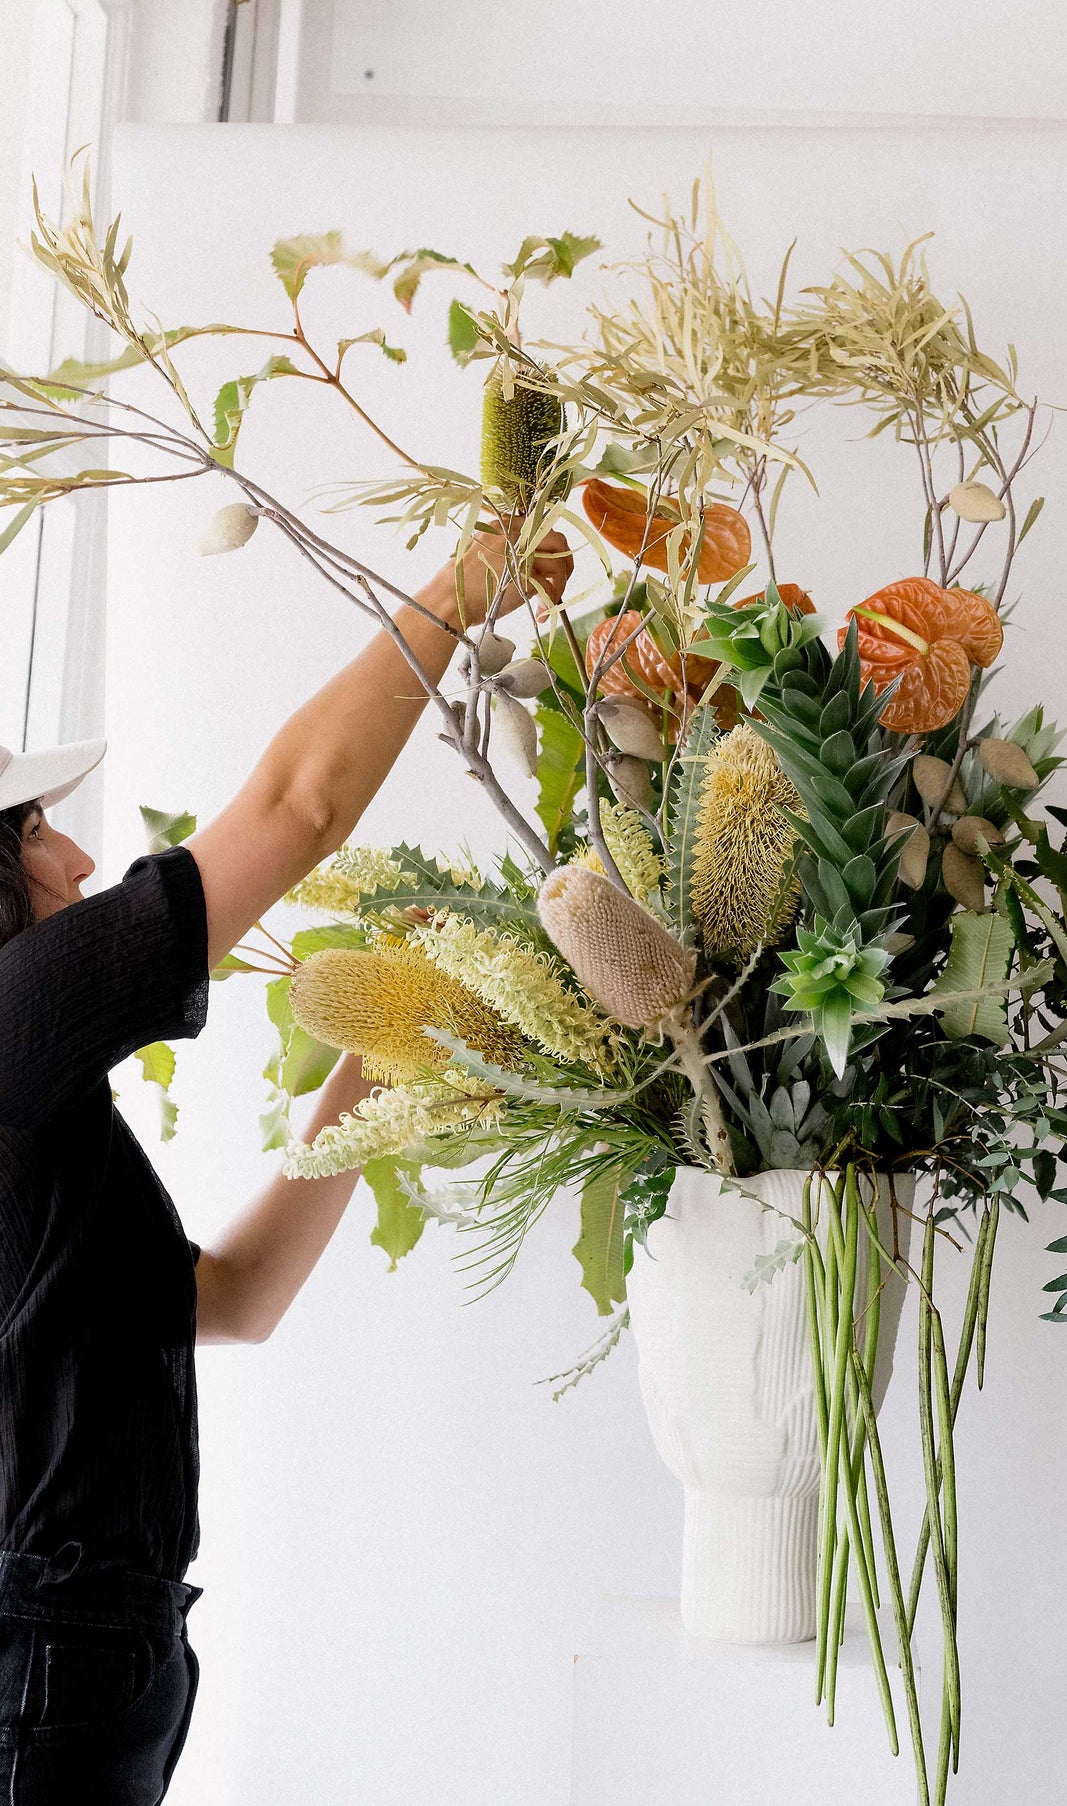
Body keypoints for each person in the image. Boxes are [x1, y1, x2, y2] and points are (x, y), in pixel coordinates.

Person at [0, 526, 571, 1804]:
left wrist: (383, 1053)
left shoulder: (38, 1115)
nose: (82, 861)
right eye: (38, 829)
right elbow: (296, 809)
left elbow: (232, 1300)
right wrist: (471, 576)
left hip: (96, 1643)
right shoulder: (6, 1028)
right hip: (54, 1648)